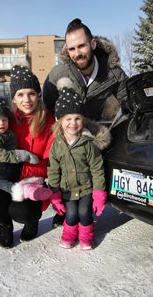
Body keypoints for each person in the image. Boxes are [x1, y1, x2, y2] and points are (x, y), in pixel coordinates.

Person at [43, 18, 128, 227]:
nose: (77, 53)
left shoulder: (113, 73)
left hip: (90, 129)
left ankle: (90, 203)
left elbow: (129, 102)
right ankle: (65, 208)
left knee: (91, 167)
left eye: (81, 46)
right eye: (71, 48)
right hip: (64, 130)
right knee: (62, 167)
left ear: (92, 44)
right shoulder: (58, 73)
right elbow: (47, 104)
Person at [0, 65, 56, 248]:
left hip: (32, 181)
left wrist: (20, 169)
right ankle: (5, 224)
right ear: (14, 98)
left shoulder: (49, 122)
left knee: (22, 211)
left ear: (38, 95)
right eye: (20, 94)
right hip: (3, 177)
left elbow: (51, 163)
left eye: (31, 93)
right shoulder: (4, 118)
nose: (26, 100)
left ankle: (32, 221)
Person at [47, 79, 111, 250]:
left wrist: (98, 192)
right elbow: (53, 170)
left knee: (84, 212)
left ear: (83, 120)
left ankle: (85, 237)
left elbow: (97, 168)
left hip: (86, 189)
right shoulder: (57, 145)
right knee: (71, 213)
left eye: (77, 118)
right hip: (67, 190)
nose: (73, 123)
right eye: (68, 118)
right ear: (60, 121)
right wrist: (54, 193)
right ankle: (69, 235)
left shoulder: (88, 143)